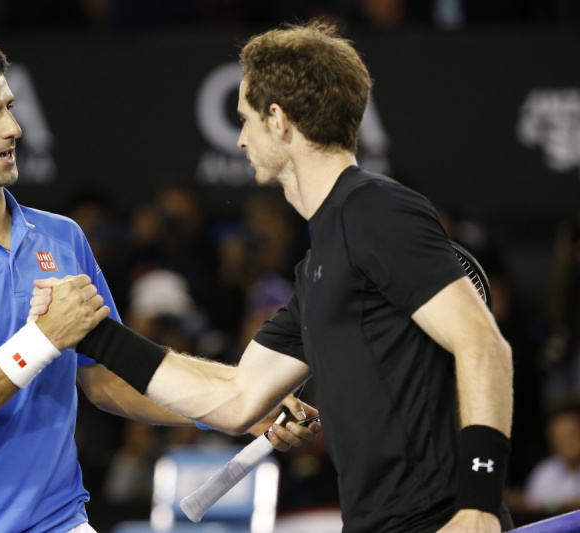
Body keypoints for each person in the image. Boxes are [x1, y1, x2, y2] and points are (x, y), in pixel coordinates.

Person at [59, 19, 514, 533]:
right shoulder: (320, 262)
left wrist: (478, 503)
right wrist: (95, 335)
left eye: (245, 119)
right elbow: (236, 400)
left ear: (278, 120)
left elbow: (484, 345)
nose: (239, 140)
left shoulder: (375, 210)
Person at [0, 35, 315, 533]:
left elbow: (107, 379)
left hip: (60, 521)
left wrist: (239, 404)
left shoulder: (61, 237)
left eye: (8, 107)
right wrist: (41, 341)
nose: (13, 128)